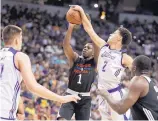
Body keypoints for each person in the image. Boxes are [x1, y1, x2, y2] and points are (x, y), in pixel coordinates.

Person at [0, 25, 80, 120]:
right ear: (17, 40)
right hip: (4, 114)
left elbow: (7, 86)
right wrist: (61, 99)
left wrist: (20, 109)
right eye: (21, 39)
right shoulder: (19, 56)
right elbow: (33, 87)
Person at [70, 5, 133, 120]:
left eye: (114, 33)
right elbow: (89, 29)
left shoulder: (124, 57)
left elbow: (139, 71)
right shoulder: (103, 46)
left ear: (119, 39)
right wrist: (81, 11)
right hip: (102, 95)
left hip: (115, 96)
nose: (110, 34)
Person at [57, 23, 97, 120]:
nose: (85, 48)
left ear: (94, 52)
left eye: (88, 47)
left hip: (85, 100)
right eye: (84, 47)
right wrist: (70, 27)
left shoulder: (95, 63)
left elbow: (97, 44)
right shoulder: (75, 59)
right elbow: (66, 46)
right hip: (70, 95)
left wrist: (89, 27)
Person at [98, 55, 158, 120]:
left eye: (130, 67)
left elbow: (120, 109)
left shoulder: (138, 80)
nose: (129, 69)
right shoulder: (151, 82)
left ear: (134, 68)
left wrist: (106, 95)